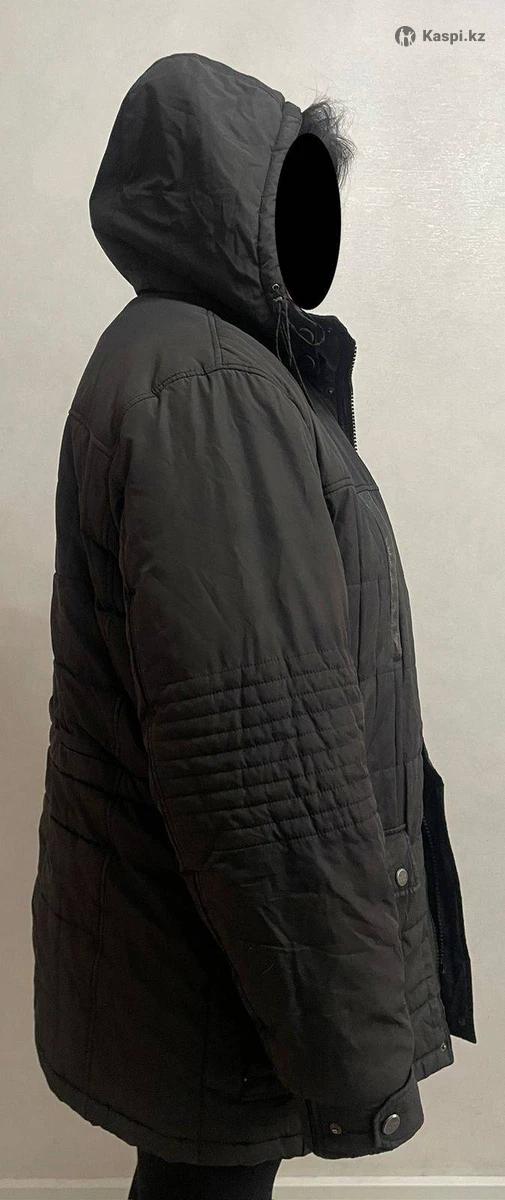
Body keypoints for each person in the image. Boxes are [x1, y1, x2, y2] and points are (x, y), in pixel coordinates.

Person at [31, 52, 476, 1200]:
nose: (318, 233)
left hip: (188, 957)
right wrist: (358, 1060)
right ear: (226, 205)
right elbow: (264, 764)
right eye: (293, 196)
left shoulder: (178, 362)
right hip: (215, 972)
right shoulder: (208, 390)